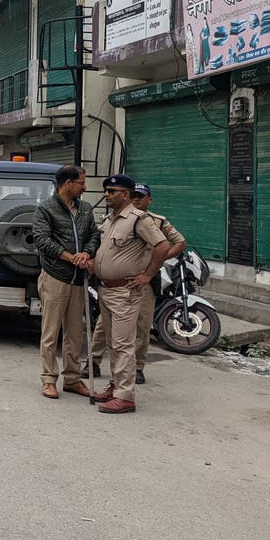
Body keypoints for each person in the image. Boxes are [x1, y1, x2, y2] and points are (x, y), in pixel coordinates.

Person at [87, 183, 187, 384]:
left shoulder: (155, 222)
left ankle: (137, 368)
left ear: (149, 199)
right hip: (112, 285)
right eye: (136, 196)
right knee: (103, 326)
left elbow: (178, 243)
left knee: (141, 326)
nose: (137, 200)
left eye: (141, 196)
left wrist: (152, 268)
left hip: (141, 282)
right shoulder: (111, 220)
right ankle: (93, 362)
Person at [91, 174, 171, 414]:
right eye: (106, 190)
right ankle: (115, 386)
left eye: (112, 191)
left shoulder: (139, 220)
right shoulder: (110, 220)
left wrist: (147, 275)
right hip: (106, 288)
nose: (107, 194)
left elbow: (163, 246)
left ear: (125, 195)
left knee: (124, 344)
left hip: (125, 291)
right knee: (113, 343)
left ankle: (125, 396)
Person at [32, 165, 100, 400]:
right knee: (50, 332)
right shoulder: (46, 209)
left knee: (75, 333)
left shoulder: (85, 209)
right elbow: (42, 240)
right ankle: (48, 378)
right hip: (55, 276)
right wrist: (71, 257)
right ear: (68, 183)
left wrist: (87, 254)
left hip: (78, 280)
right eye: (81, 182)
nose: (85, 186)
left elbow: (94, 235)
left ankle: (73, 379)